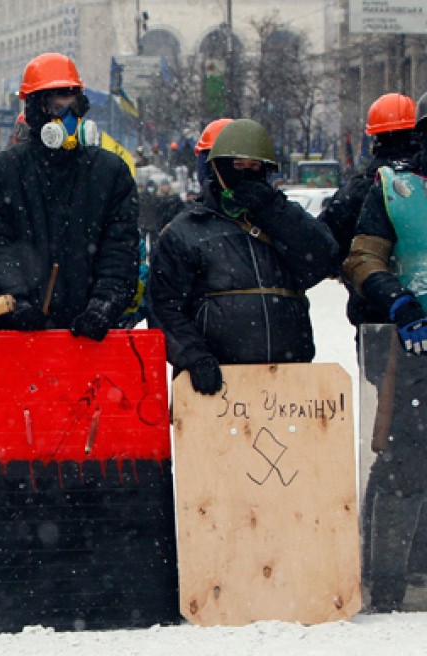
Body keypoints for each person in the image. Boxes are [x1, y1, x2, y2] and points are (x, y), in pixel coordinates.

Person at [148, 119, 337, 395]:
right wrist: (193, 356)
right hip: (215, 388)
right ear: (215, 168)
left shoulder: (282, 221)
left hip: (287, 385)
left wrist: (274, 210)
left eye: (254, 167)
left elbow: (323, 258)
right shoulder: (185, 231)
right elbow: (164, 306)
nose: (246, 175)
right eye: (237, 167)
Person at [0, 53, 139, 339]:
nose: (68, 118)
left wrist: (103, 307)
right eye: (57, 107)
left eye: (73, 107)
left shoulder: (111, 173)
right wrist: (16, 305)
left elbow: (120, 251)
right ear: (37, 111)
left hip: (91, 339)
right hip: (17, 340)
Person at [342, 92, 427, 612]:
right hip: (411, 345)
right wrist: (396, 299)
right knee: (402, 463)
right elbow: (362, 257)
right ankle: (389, 582)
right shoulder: (392, 190)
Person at [323, 94, 418, 329]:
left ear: (375, 139)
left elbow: (324, 247)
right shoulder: (419, 185)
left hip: (373, 314)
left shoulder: (355, 192)